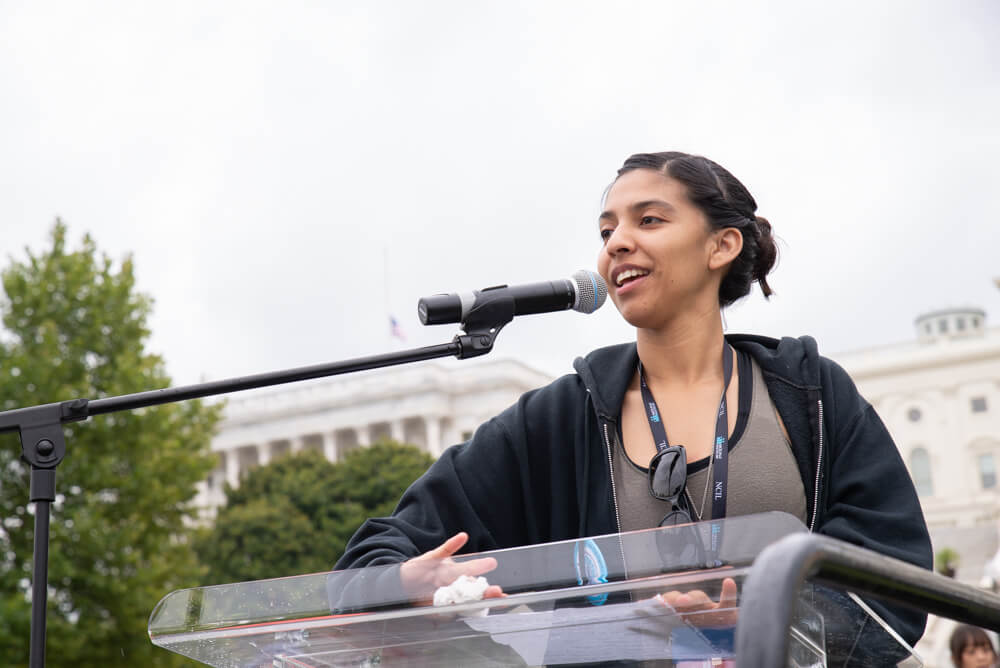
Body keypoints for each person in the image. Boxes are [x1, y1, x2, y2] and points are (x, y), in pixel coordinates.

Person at [333, 151, 933, 647]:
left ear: (721, 245)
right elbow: (375, 555)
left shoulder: (811, 395)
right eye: (606, 230)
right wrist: (405, 583)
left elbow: (894, 582)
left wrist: (764, 626)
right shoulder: (557, 420)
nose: (617, 243)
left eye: (648, 221)